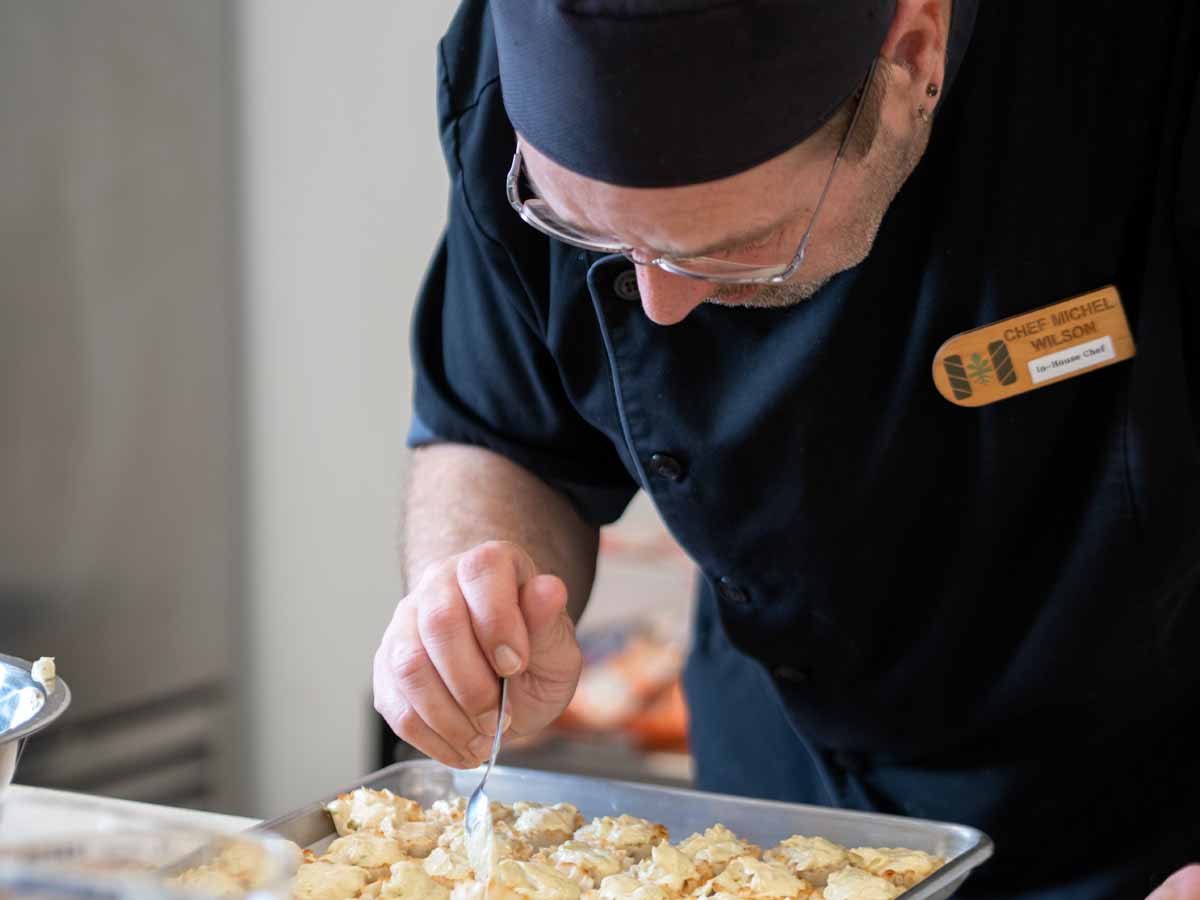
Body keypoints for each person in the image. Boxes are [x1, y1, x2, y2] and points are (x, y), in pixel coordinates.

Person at [373, 1, 1200, 896]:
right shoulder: (520, 63)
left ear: (913, 54)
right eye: (592, 238)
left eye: (730, 251)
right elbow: (503, 433)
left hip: (1146, 809)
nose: (657, 305)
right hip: (773, 804)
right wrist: (471, 591)